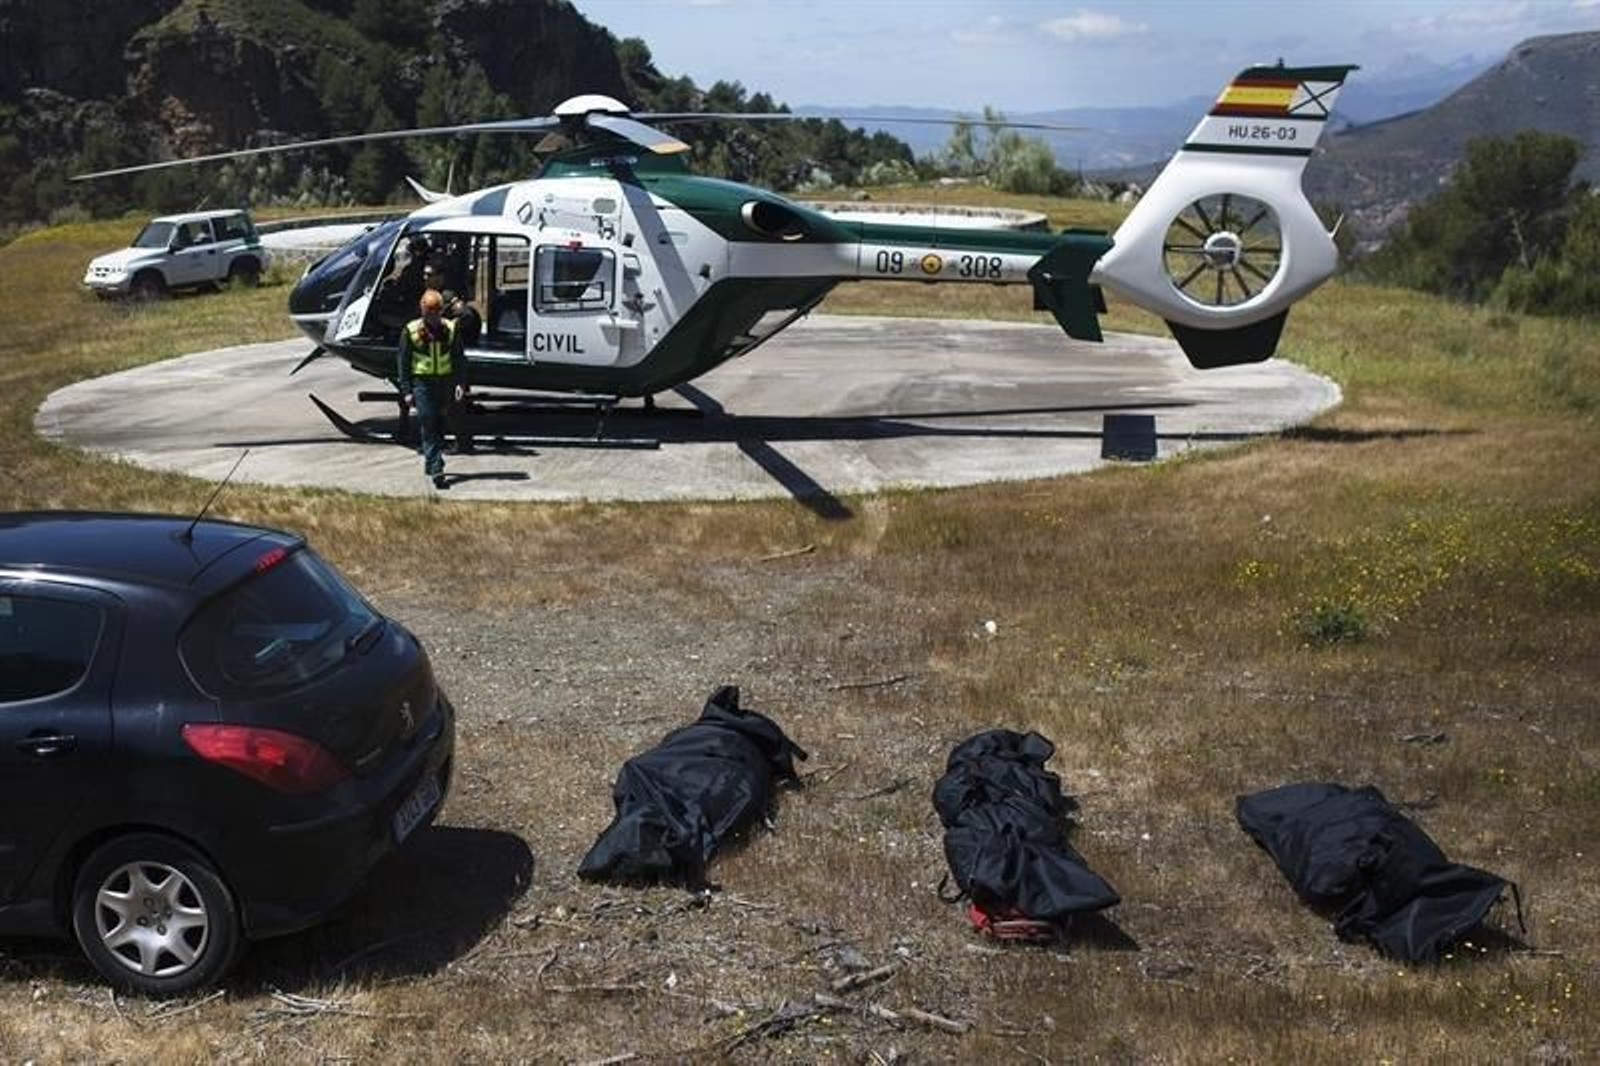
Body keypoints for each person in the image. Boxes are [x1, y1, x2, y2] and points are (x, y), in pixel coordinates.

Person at [396, 289, 466, 487]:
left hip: (445, 382)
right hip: (422, 383)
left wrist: (460, 383)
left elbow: (459, 358)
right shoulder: (410, 331)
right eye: (429, 312)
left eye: (436, 312)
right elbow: (403, 361)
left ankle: (430, 461)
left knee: (440, 423)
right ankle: (437, 468)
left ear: (441, 311)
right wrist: (406, 390)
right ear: (422, 311)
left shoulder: (451, 329)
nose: (433, 316)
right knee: (428, 422)